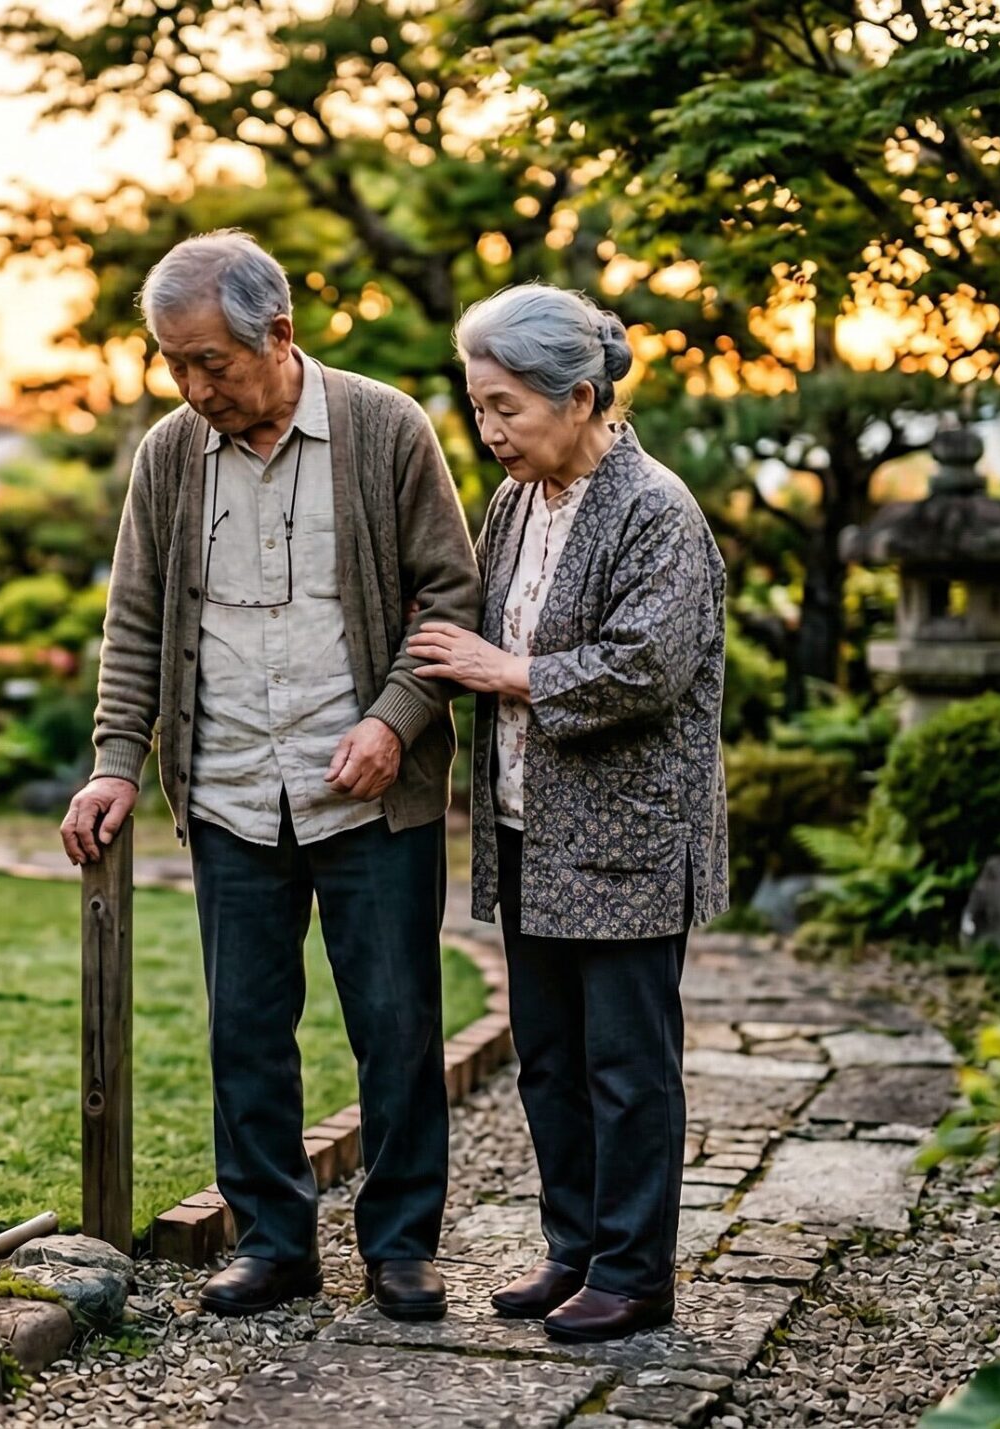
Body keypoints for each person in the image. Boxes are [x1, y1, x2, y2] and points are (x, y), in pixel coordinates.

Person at [59, 231, 480, 1321]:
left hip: (368, 792)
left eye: (211, 362)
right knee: (243, 1025)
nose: (193, 386)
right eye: (173, 362)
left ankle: (399, 1245)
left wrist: (396, 721)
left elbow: (450, 597)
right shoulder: (167, 454)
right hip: (231, 788)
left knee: (394, 1024)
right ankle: (273, 1239)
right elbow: (136, 621)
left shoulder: (386, 428)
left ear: (279, 335)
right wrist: (114, 763)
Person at [406, 282, 728, 1344]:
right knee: (546, 1055)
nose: (487, 428)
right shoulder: (515, 503)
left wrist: (504, 670)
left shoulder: (654, 508)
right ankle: (573, 1249)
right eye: (478, 404)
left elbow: (647, 667)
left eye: (506, 407)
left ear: (580, 397)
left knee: (627, 1069)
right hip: (525, 827)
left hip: (628, 838)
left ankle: (635, 1272)